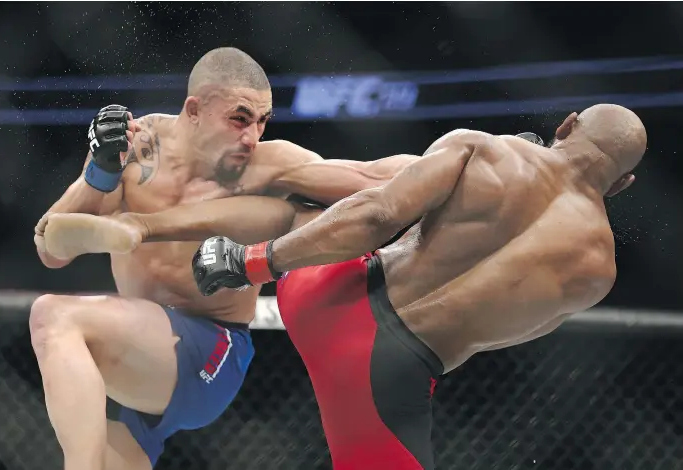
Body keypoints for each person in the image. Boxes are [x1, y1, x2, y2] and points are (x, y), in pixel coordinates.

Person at [186, 104, 647, 469]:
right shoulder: (597, 269)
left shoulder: (485, 149)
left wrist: (252, 261)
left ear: (567, 126)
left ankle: (207, 181)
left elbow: (378, 214)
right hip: (386, 376)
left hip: (322, 292)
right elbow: (499, 335)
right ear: (623, 184)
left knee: (326, 193)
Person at [29, 47, 411, 470]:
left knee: (55, 316)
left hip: (213, 349)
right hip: (139, 353)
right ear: (194, 110)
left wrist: (461, 157)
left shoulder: (270, 166)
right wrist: (98, 173)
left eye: (262, 121)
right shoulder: (137, 147)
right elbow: (51, 249)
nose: (252, 137)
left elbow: (378, 177)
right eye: (240, 118)